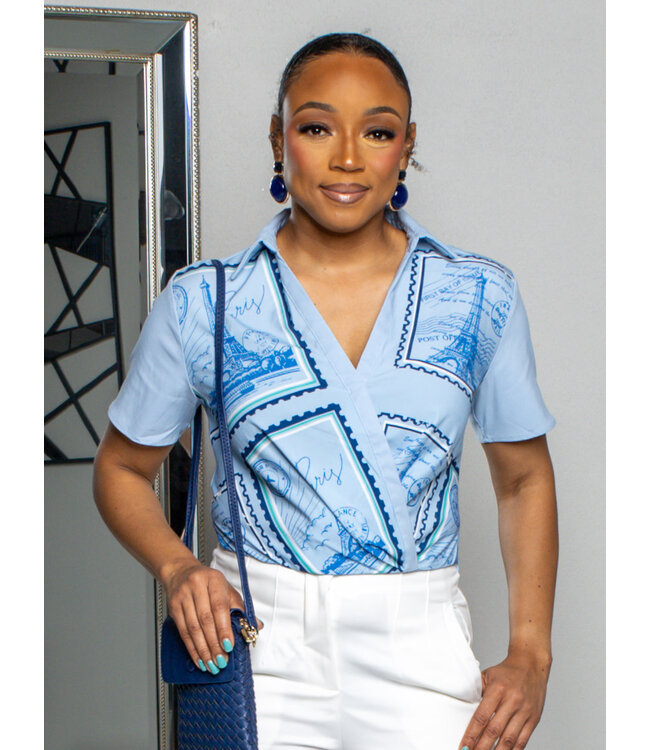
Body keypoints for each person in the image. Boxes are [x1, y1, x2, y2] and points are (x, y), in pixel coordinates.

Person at [93, 32, 558, 750]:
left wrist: (531, 653)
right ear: (278, 140)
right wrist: (178, 566)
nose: (347, 157)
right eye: (316, 128)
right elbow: (121, 468)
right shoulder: (206, 301)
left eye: (377, 132)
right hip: (260, 650)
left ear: (406, 146)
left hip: (420, 648)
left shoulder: (475, 296)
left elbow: (524, 480)